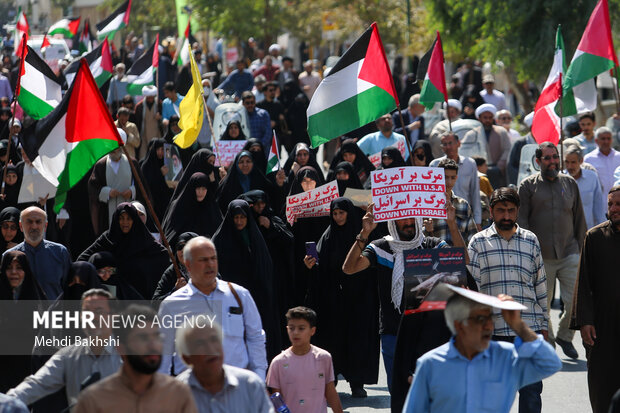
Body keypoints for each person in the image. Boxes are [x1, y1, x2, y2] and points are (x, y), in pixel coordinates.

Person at [342, 201, 467, 392]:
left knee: (430, 392)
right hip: (394, 333)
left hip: (428, 333)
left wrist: (451, 224)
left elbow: (463, 261)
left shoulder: (431, 245)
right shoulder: (381, 247)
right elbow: (349, 268)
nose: (408, 222)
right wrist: (364, 233)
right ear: (392, 221)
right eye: (402, 218)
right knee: (399, 394)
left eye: (411, 217)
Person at [402, 286, 561, 413]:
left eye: (490, 318)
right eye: (480, 319)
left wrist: (518, 325)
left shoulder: (506, 356)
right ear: (459, 325)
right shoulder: (430, 364)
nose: (489, 326)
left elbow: (551, 364)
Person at [467, 187, 549, 412]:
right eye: (501, 210)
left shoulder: (531, 240)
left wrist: (544, 325)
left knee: (531, 394)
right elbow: (473, 293)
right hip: (494, 333)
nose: (506, 216)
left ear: (518, 211)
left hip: (527, 330)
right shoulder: (478, 243)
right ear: (491, 211)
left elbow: (540, 284)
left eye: (511, 211)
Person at [158, 237, 268, 378]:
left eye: (213, 258)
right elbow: (163, 353)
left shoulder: (239, 295)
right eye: (203, 260)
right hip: (192, 393)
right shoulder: (172, 304)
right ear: (188, 265)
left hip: (237, 389)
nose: (210, 264)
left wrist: (258, 376)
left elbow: (256, 337)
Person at [303, 198, 379, 398]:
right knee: (333, 339)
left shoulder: (359, 235)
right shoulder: (327, 237)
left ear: (348, 213)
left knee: (356, 338)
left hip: (357, 297)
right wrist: (311, 265)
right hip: (333, 299)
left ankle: (357, 382)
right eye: (335, 214)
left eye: (341, 213)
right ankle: (332, 382)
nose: (338, 217)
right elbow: (320, 266)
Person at [518, 142, 586, 359]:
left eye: (554, 157)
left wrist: (584, 250)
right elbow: (522, 222)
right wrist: (527, 255)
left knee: (575, 301)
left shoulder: (569, 183)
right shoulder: (528, 186)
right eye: (546, 158)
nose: (552, 162)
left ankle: (565, 337)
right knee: (543, 307)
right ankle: (548, 341)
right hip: (540, 256)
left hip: (570, 251)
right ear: (538, 161)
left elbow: (579, 219)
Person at [8, 289, 121, 408]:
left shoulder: (129, 356)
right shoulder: (69, 355)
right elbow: (38, 384)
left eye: (99, 311)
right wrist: (6, 402)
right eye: (86, 312)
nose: (91, 318)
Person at [74, 305, 198, 413]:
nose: (152, 345)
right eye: (143, 338)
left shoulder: (179, 393)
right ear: (121, 348)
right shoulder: (94, 400)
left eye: (156, 337)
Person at [570, 186, 620, 413]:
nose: (613, 209)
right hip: (602, 327)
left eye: (618, 204)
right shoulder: (595, 237)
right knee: (602, 389)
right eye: (610, 204)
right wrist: (584, 322)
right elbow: (584, 283)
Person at [212, 200, 280, 360]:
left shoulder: (254, 236)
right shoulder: (220, 240)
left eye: (243, 217)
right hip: (231, 297)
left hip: (256, 295)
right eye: (235, 218)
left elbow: (265, 266)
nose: (239, 221)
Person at [176, 321, 275, 413]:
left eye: (214, 340)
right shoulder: (174, 394)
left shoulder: (250, 385)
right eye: (200, 344)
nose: (210, 349)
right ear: (186, 358)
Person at [78, 203, 170, 300]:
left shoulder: (143, 238)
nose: (124, 222)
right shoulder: (109, 237)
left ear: (134, 220)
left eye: (128, 219)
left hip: (138, 292)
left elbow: (163, 256)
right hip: (111, 291)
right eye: (121, 218)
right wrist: (99, 272)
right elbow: (83, 258)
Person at [266, 307, 344, 413]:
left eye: (301, 328)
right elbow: (276, 400)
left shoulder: (323, 357)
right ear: (287, 329)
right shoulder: (278, 362)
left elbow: (330, 391)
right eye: (291, 328)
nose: (296, 332)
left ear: (312, 330)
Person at [0, 251, 46, 393]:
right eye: (9, 268)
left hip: (28, 370)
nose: (14, 272)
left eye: (19, 267)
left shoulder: (37, 300)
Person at [4, 207, 71, 300]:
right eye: (29, 222)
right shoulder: (9, 256)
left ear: (45, 226)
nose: (34, 226)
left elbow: (68, 288)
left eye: (38, 222)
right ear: (21, 226)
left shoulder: (60, 252)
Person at [430, 132, 482, 229]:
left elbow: (475, 193)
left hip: (463, 212)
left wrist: (477, 221)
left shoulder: (470, 164)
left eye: (451, 143)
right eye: (445, 144)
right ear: (441, 147)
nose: (448, 147)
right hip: (441, 214)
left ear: (458, 143)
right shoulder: (434, 164)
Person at [88, 141, 141, 235]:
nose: (112, 149)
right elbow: (93, 187)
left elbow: (141, 186)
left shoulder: (132, 163)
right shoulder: (101, 165)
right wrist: (107, 192)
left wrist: (132, 191)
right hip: (106, 213)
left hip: (128, 209)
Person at [424, 159, 478, 245]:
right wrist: (426, 230)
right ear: (437, 177)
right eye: (445, 177)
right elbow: (417, 239)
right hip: (435, 256)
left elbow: (472, 237)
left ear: (456, 178)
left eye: (452, 178)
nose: (449, 182)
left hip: (459, 256)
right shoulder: (426, 204)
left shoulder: (463, 205)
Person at [163, 172, 222, 248]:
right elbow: (172, 233)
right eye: (198, 188)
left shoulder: (211, 207)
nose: (200, 192)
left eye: (204, 189)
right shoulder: (180, 206)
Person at [462, 103, 512, 188]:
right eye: (485, 118)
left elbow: (507, 150)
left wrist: (499, 167)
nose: (488, 120)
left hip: (497, 172)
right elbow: (464, 152)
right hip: (477, 172)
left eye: (490, 118)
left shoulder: (501, 132)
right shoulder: (471, 134)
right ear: (479, 118)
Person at [215, 151, 281, 214]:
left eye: (248, 161)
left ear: (253, 163)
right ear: (236, 164)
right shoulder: (228, 183)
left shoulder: (261, 181)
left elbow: (272, 200)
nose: (245, 165)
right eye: (241, 162)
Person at [564, 144, 606, 229]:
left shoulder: (592, 177)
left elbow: (598, 206)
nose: (569, 166)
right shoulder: (561, 179)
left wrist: (603, 229)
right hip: (566, 231)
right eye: (567, 162)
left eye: (573, 162)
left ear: (581, 161)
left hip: (587, 230)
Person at [152, 232, 198, 302]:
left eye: (187, 247)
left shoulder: (206, 269)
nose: (183, 250)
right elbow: (155, 302)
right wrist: (175, 291)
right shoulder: (171, 273)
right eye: (180, 247)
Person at [140, 138, 172, 221]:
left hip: (166, 203)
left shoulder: (170, 164)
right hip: (153, 203)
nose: (160, 152)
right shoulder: (147, 165)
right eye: (158, 149)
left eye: (163, 149)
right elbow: (146, 184)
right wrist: (160, 174)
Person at [583, 127, 620, 198]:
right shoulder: (588, 159)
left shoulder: (619, 157)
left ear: (612, 140)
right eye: (603, 139)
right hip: (599, 202)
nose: (606, 141)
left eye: (608, 138)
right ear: (596, 141)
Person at [134, 85, 163, 159]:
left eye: (152, 96)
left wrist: (160, 117)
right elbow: (137, 122)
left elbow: (163, 119)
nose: (151, 98)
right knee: (143, 157)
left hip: (157, 135)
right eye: (149, 97)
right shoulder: (139, 107)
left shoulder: (159, 105)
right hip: (144, 136)